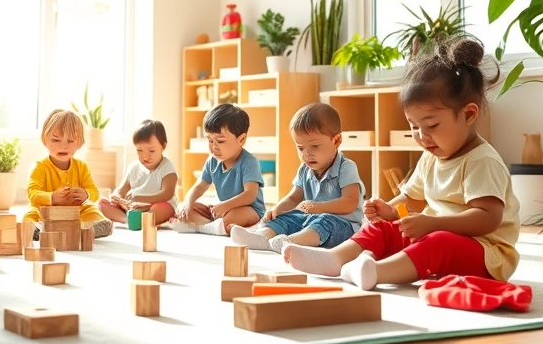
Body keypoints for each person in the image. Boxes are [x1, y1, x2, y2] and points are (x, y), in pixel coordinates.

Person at [283, 37, 521, 291]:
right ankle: (337, 257)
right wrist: (390, 211)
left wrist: (434, 223)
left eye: (431, 125)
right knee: (386, 228)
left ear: (468, 115)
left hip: (486, 254)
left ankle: (376, 271)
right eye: (413, 126)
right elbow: (413, 201)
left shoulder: (481, 161)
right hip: (437, 235)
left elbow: (488, 219)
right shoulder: (431, 157)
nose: (421, 135)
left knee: (438, 242)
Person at [231, 103, 364, 253]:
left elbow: (350, 202)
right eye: (300, 148)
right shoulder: (305, 169)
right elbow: (294, 198)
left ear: (336, 141)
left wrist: (318, 207)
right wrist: (277, 209)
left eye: (315, 146)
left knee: (325, 221)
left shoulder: (346, 167)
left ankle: (291, 242)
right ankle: (262, 236)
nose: (306, 154)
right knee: (287, 217)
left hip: (343, 225)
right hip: (310, 219)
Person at [174, 103, 265, 235]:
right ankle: (212, 226)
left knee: (230, 218)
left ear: (241, 139)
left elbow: (249, 195)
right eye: (210, 141)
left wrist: (226, 206)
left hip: (250, 210)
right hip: (223, 209)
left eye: (220, 141)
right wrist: (188, 203)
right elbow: (199, 187)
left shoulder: (249, 162)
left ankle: (202, 227)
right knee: (183, 207)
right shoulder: (212, 161)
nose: (214, 147)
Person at [24, 109, 112, 237]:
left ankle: (91, 227)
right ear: (45, 140)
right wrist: (52, 197)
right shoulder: (39, 167)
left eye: (70, 141)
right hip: (46, 210)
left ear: (79, 142)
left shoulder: (81, 167)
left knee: (91, 209)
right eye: (56, 140)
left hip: (74, 211)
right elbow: (32, 194)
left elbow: (94, 192)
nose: (64, 146)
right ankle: (37, 229)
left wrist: (86, 194)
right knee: (31, 213)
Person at [97, 120, 178, 226]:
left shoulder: (167, 167)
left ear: (163, 146)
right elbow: (121, 190)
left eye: (151, 151)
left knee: (161, 209)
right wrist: (117, 198)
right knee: (102, 203)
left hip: (156, 205)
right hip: (133, 207)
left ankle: (143, 220)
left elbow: (167, 193)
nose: (145, 156)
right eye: (139, 150)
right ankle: (128, 220)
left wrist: (142, 199)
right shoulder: (133, 168)